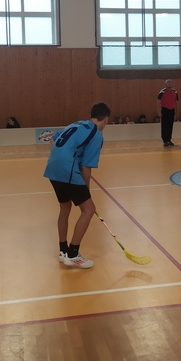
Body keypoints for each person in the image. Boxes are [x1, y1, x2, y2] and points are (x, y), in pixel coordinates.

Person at [43, 102, 111, 269]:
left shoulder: (77, 124)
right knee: (88, 209)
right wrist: (86, 191)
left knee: (65, 207)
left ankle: (63, 251)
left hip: (52, 167)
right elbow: (86, 167)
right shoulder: (96, 134)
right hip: (67, 169)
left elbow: (53, 139)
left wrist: (61, 157)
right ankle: (73, 254)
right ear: (105, 120)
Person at [157, 79, 179, 147]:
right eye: (168, 83)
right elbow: (158, 101)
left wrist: (177, 112)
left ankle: (169, 139)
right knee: (164, 125)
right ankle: (165, 140)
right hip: (164, 110)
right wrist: (159, 111)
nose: (169, 84)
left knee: (170, 125)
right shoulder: (162, 92)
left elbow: (176, 102)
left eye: (170, 83)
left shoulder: (175, 92)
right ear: (165, 84)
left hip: (171, 110)